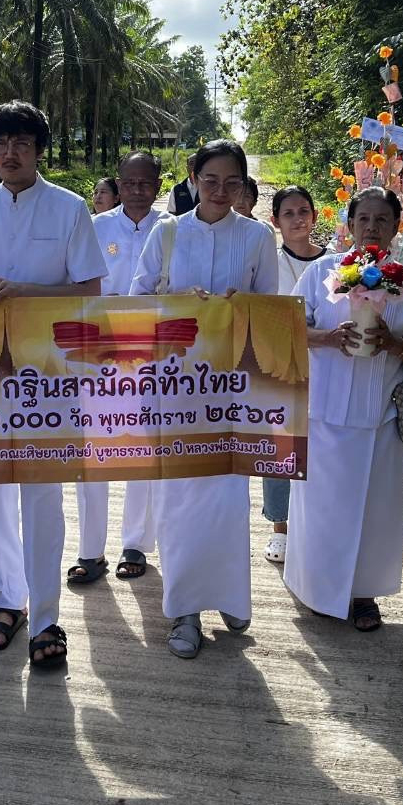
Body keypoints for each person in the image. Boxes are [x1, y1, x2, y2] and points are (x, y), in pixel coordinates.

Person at [0, 102, 107, 668]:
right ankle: (5, 601)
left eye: (20, 141)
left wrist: (23, 293)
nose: (8, 153)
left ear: (39, 149)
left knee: (42, 496)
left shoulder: (69, 209)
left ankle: (46, 616)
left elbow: (89, 292)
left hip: (52, 374)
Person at [130, 139, 279, 659]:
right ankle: (185, 611)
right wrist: (174, 306)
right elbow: (135, 300)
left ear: (243, 186)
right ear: (193, 177)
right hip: (173, 390)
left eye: (231, 183)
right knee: (179, 503)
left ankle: (230, 596)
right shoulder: (167, 234)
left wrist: (246, 308)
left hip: (232, 393)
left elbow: (274, 313)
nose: (220, 191)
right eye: (210, 180)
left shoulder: (259, 238)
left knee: (228, 498)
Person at [285, 187, 403, 632]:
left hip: (381, 418)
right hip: (323, 413)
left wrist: (396, 344)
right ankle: (316, 589)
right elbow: (290, 327)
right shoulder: (320, 273)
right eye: (363, 220)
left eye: (382, 221)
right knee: (322, 508)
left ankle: (364, 595)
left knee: (375, 511)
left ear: (396, 227)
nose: (372, 228)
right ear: (349, 225)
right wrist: (328, 339)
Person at [77, 151, 170, 585]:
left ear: (158, 183)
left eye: (145, 182)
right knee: (93, 449)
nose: (137, 189)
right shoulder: (95, 227)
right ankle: (89, 550)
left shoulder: (171, 231)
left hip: (154, 353)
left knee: (144, 446)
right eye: (129, 182)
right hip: (99, 350)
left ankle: (135, 543)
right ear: (118, 182)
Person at [264, 185, 328, 564]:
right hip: (281, 366)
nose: (297, 218)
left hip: (326, 367)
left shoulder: (337, 264)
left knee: (321, 449)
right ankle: (280, 528)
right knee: (280, 449)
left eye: (304, 210)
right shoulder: (268, 263)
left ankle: (316, 525)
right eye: (288, 213)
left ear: (315, 216)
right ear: (275, 221)